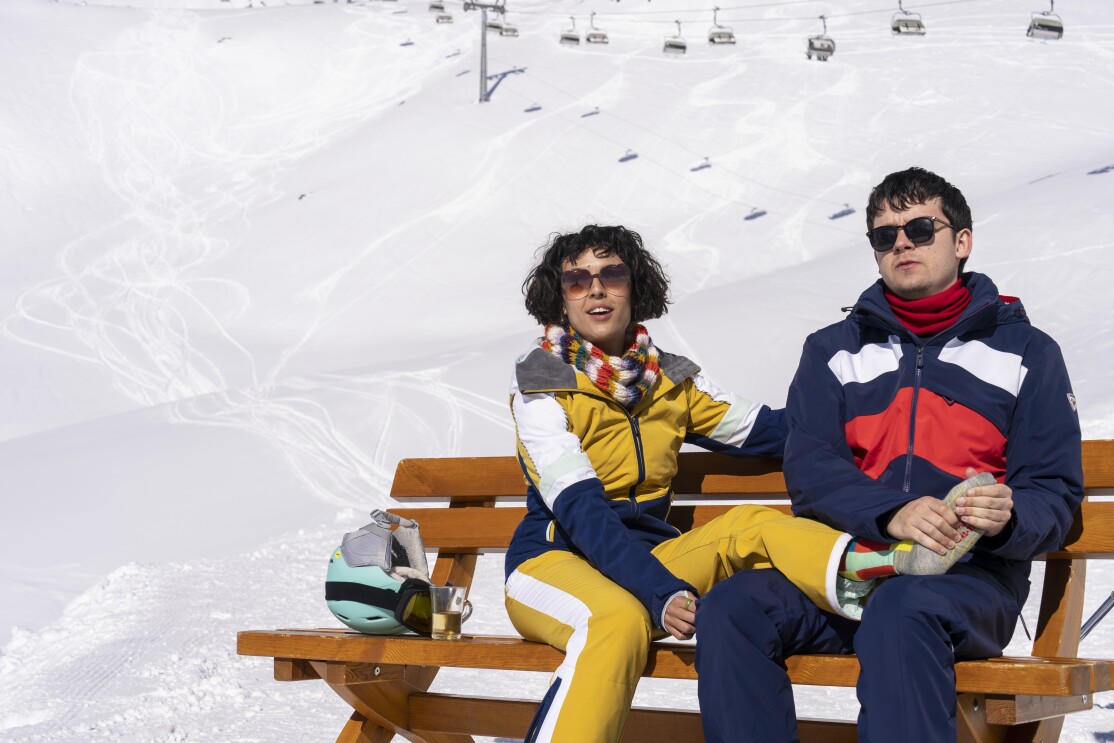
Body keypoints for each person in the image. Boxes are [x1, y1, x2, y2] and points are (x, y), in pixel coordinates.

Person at [502, 225, 937, 743]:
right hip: (554, 564)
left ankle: (873, 573)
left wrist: (879, 414)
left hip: (644, 566)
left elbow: (772, 430)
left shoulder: (669, 381)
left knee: (751, 525)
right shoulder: (540, 385)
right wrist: (659, 593)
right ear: (560, 297)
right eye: (577, 280)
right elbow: (582, 513)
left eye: (611, 273)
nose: (596, 289)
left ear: (633, 286)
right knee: (616, 623)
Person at [694, 167, 1084, 743]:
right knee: (732, 607)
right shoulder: (834, 351)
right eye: (885, 235)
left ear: (962, 241)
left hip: (969, 583)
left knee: (903, 607)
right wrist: (889, 514)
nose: (901, 242)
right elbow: (812, 468)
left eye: (921, 228)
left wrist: (1009, 518)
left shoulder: (1025, 353)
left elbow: (1052, 491)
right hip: (847, 570)